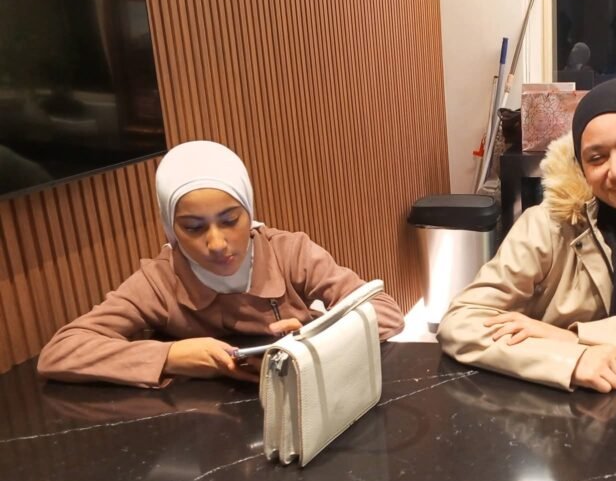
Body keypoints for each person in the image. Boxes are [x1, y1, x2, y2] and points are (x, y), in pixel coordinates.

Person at [438, 78, 616, 392]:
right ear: (581, 165)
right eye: (596, 158)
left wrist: (574, 337)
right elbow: (462, 322)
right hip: (556, 406)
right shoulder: (549, 224)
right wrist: (570, 359)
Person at [37, 140, 404, 387]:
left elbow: (386, 313)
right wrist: (170, 355)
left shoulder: (289, 251)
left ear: (250, 212)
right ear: (171, 229)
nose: (216, 243)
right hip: (208, 429)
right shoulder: (161, 279)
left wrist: (313, 339)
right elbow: (61, 352)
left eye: (230, 220)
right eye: (193, 227)